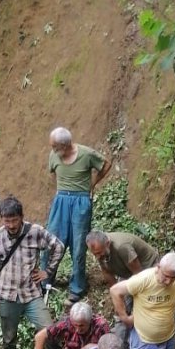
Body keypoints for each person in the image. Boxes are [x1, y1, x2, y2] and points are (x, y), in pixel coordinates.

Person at [0, 196, 65, 349]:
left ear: (22, 217)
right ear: (2, 219)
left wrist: (47, 271)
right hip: (6, 294)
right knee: (8, 338)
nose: (11, 225)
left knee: (49, 329)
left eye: (14, 220)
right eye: (7, 221)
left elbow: (58, 246)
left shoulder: (35, 232)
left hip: (31, 293)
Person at [44, 127, 112, 300]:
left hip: (81, 202)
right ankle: (44, 282)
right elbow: (53, 174)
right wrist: (61, 191)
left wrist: (92, 185)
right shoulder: (54, 156)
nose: (52, 150)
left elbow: (106, 164)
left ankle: (77, 286)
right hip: (61, 201)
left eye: (55, 146)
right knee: (52, 241)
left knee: (78, 245)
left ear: (65, 145)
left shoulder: (86, 154)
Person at [85, 230, 160, 345]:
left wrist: (135, 299)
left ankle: (144, 340)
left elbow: (138, 275)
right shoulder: (101, 251)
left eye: (99, 253)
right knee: (121, 309)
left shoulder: (122, 247)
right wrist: (118, 297)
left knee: (141, 305)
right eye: (95, 254)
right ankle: (119, 345)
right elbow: (107, 273)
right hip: (128, 272)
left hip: (147, 269)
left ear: (108, 243)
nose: (98, 256)